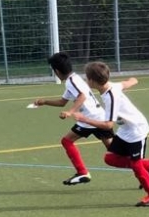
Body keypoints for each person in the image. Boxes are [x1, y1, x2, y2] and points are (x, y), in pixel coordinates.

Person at [61, 61, 149, 207]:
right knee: (110, 158)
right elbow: (126, 84)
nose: (86, 80)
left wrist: (84, 119)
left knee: (136, 166)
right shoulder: (112, 86)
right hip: (125, 130)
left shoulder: (110, 97)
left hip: (136, 131)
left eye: (87, 78)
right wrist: (133, 80)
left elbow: (108, 125)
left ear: (92, 81)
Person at [34, 52, 112, 185]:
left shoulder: (71, 82)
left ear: (57, 71)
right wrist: (44, 102)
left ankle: (82, 172)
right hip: (99, 116)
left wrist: (70, 112)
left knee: (67, 141)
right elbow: (62, 102)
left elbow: (82, 96)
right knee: (115, 152)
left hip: (90, 118)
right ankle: (146, 167)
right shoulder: (74, 79)